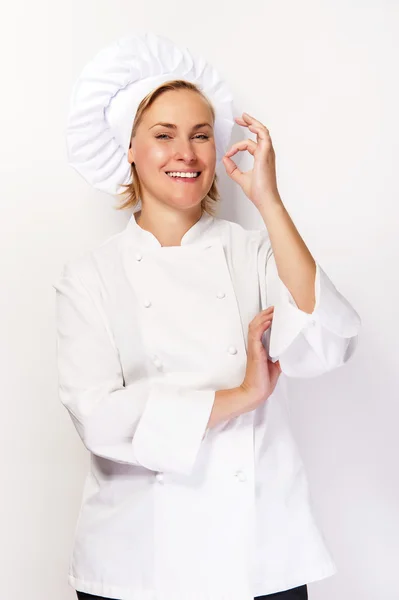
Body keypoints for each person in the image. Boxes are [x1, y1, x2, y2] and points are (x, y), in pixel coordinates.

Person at [53, 32, 361, 600]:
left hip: (257, 553)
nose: (187, 153)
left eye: (200, 135)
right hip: (137, 560)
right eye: (163, 135)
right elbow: (99, 419)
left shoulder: (255, 253)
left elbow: (327, 343)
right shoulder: (89, 276)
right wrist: (243, 395)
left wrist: (269, 200)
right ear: (129, 148)